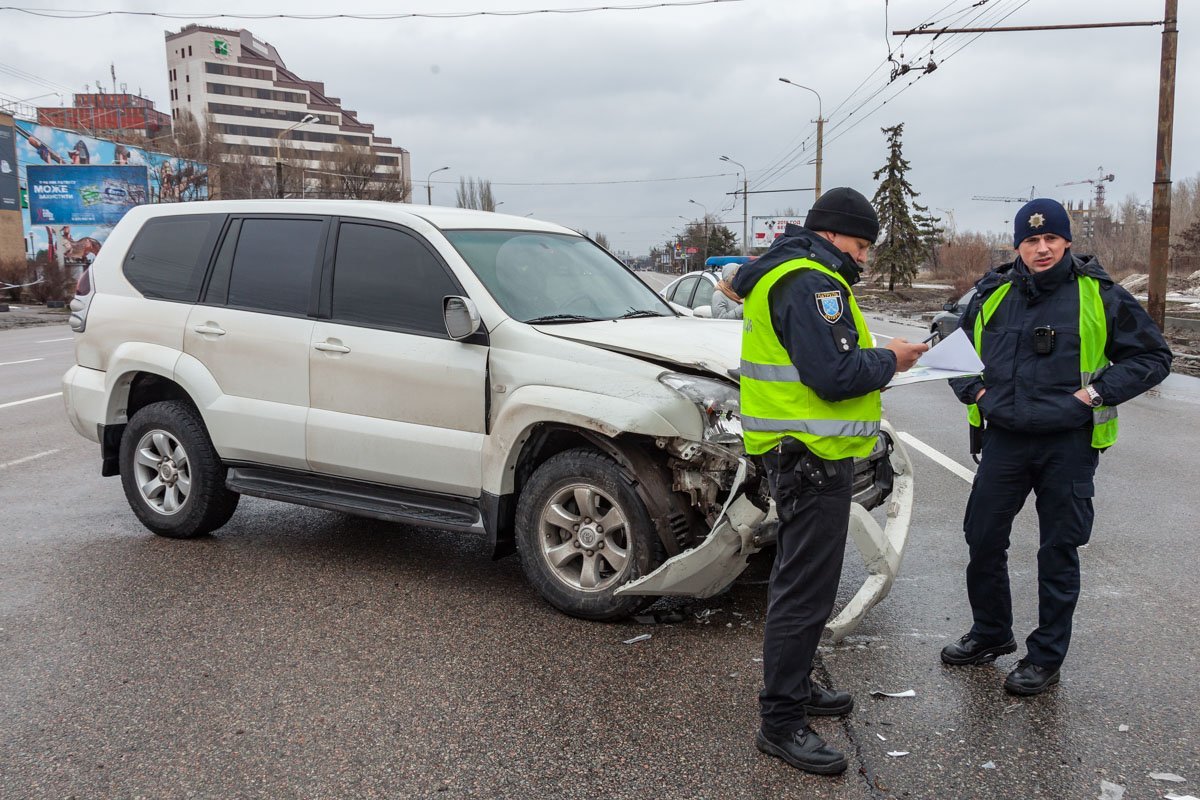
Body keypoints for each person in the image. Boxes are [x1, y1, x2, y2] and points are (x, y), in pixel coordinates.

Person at [731, 187, 927, 775]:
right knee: (804, 588)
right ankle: (782, 720)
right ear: (834, 234)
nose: (864, 258)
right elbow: (834, 375)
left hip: (804, 456)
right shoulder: (809, 281)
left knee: (805, 582)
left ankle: (794, 688)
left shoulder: (794, 275)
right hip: (808, 459)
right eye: (861, 245)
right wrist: (893, 358)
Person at [941, 198, 1172, 695]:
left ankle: (1044, 656)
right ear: (1018, 245)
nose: (1041, 248)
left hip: (1068, 443)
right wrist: (978, 393)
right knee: (982, 539)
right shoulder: (993, 292)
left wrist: (1095, 393)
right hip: (1004, 439)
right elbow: (953, 354)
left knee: (1058, 550)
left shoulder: (1098, 295)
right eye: (1031, 240)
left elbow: (1153, 356)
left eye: (1050, 239)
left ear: (1067, 241)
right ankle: (991, 633)